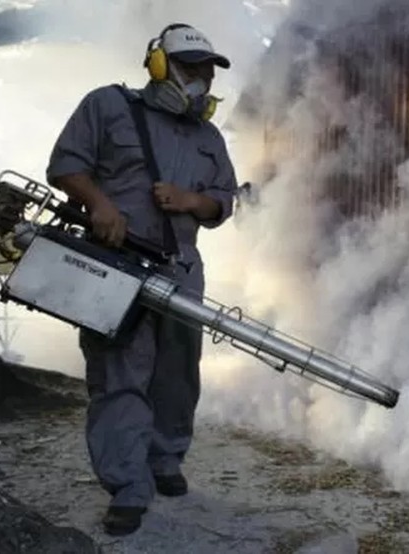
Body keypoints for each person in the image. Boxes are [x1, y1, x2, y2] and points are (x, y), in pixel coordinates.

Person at [44, 23, 238, 536]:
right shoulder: (108, 107)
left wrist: (191, 200)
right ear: (158, 65)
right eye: (189, 67)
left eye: (205, 71)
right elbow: (65, 166)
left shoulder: (209, 136)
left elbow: (224, 200)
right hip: (113, 267)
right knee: (119, 375)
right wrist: (100, 203)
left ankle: (164, 461)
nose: (199, 80)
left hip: (182, 271)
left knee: (178, 374)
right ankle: (127, 484)